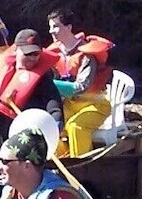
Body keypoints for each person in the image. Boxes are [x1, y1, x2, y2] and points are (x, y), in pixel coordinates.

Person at [0, 29, 64, 174]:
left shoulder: (43, 80)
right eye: (27, 53)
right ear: (16, 51)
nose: (32, 58)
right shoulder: (3, 71)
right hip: (2, 135)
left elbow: (56, 111)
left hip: (26, 144)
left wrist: (51, 129)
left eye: (36, 54)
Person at [47, 9, 115, 158]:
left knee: (75, 126)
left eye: (55, 26)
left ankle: (80, 165)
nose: (52, 31)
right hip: (69, 104)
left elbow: (82, 86)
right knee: (50, 125)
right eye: (50, 27)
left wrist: (51, 85)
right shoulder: (55, 54)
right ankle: (59, 160)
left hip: (95, 105)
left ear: (69, 27)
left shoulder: (87, 55)